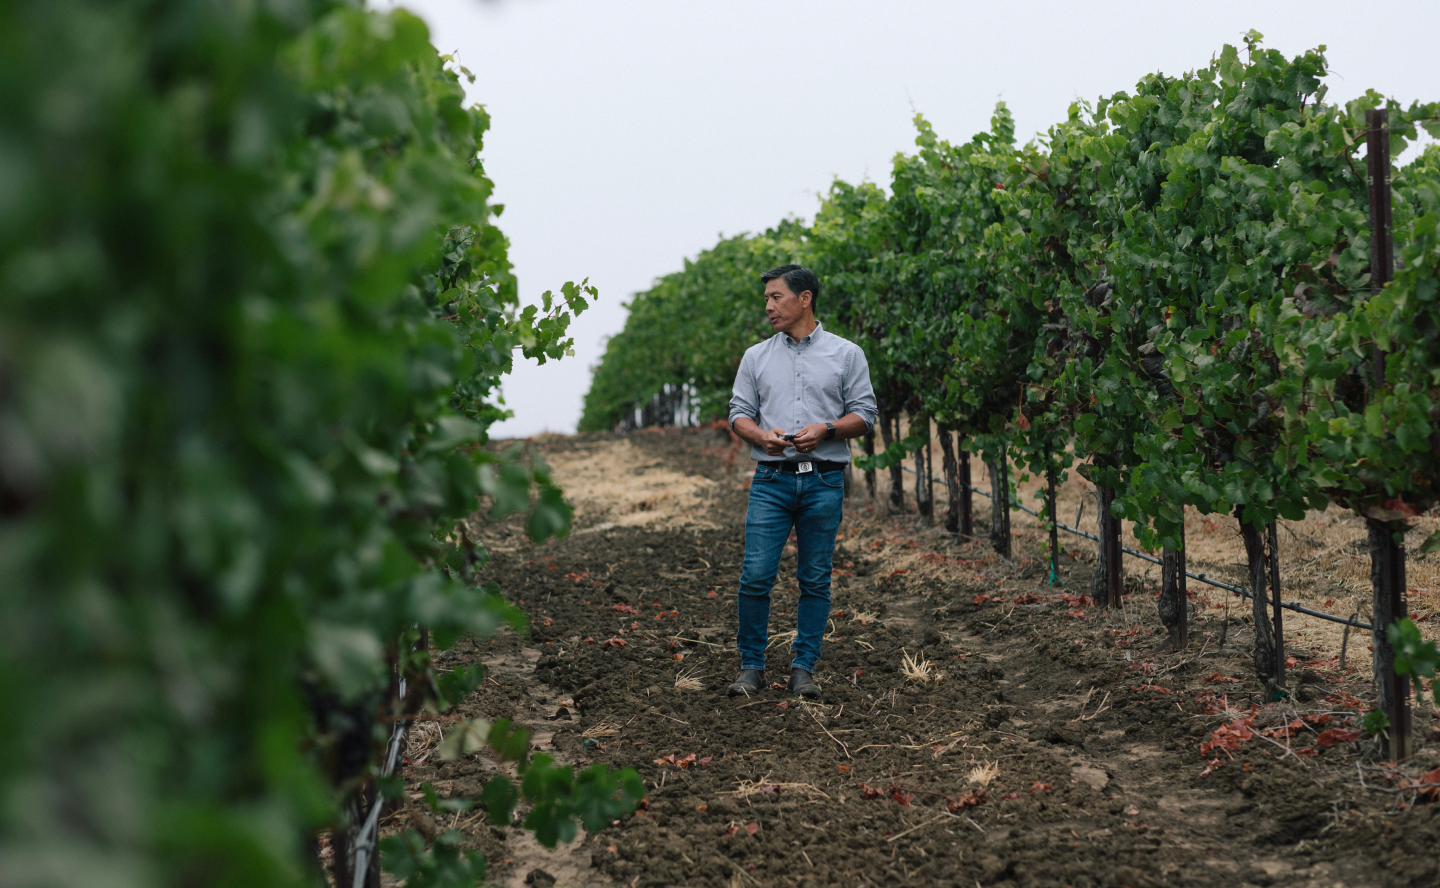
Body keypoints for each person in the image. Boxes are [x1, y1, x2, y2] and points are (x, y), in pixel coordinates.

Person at [725, 264, 877, 699]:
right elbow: (739, 413)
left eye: (776, 297)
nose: (768, 306)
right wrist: (760, 436)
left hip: (824, 482)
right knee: (755, 577)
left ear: (804, 298)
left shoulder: (847, 354)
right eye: (767, 299)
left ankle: (803, 668)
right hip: (770, 480)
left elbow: (864, 415)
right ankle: (751, 667)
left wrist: (825, 430)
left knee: (814, 579)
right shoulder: (756, 357)